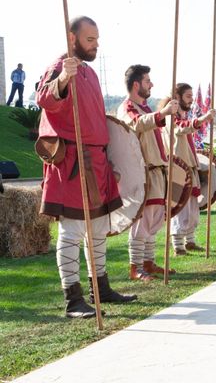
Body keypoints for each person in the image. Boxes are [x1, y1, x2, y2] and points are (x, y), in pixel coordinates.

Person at [37, 16, 136, 319]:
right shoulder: (59, 67)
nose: (95, 45)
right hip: (72, 160)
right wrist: (63, 78)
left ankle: (100, 289)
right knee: (72, 231)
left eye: (96, 39)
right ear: (72, 38)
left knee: (97, 229)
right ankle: (73, 300)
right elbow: (45, 98)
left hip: (96, 159)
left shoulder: (90, 73)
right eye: (89, 39)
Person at [117, 65, 179, 281]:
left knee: (154, 220)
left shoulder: (145, 109)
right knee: (141, 221)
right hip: (140, 173)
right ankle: (135, 268)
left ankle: (148, 262)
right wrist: (162, 113)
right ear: (136, 84)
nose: (151, 84)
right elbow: (136, 125)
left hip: (155, 171)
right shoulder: (128, 107)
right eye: (147, 81)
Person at [161, 83, 215, 255]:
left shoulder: (182, 114)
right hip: (178, 168)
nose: (191, 100)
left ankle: (190, 241)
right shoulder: (171, 116)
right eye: (188, 96)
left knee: (191, 205)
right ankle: (178, 246)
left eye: (192, 96)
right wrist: (202, 119)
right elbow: (182, 127)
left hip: (188, 166)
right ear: (177, 97)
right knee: (179, 206)